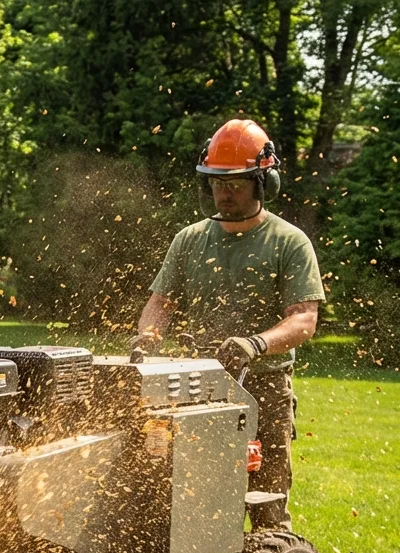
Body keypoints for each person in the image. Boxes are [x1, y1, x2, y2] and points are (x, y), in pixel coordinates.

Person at [134, 118, 325, 530]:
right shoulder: (189, 239)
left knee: (266, 501)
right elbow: (160, 302)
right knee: (192, 499)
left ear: (263, 183)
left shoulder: (288, 241)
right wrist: (147, 339)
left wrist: (256, 343)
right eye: (217, 182)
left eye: (236, 182)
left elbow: (304, 319)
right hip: (199, 387)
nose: (225, 192)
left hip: (264, 388)